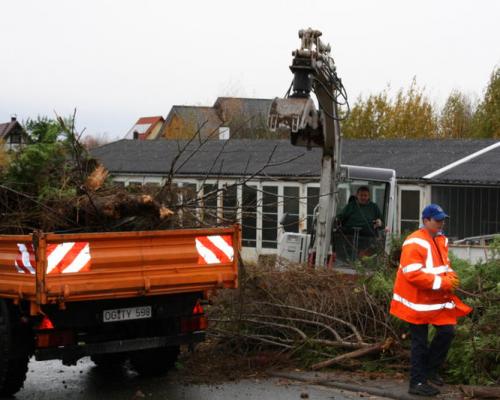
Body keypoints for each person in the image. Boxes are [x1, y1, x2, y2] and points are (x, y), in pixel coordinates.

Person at [390, 204, 472, 397]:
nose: (441, 223)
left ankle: (429, 371)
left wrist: (451, 277)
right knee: (420, 342)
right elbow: (412, 273)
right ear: (425, 221)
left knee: (447, 332)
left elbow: (444, 266)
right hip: (416, 302)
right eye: (437, 220)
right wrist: (443, 282)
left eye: (442, 219)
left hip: (433, 300)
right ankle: (417, 383)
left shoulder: (440, 239)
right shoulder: (414, 242)